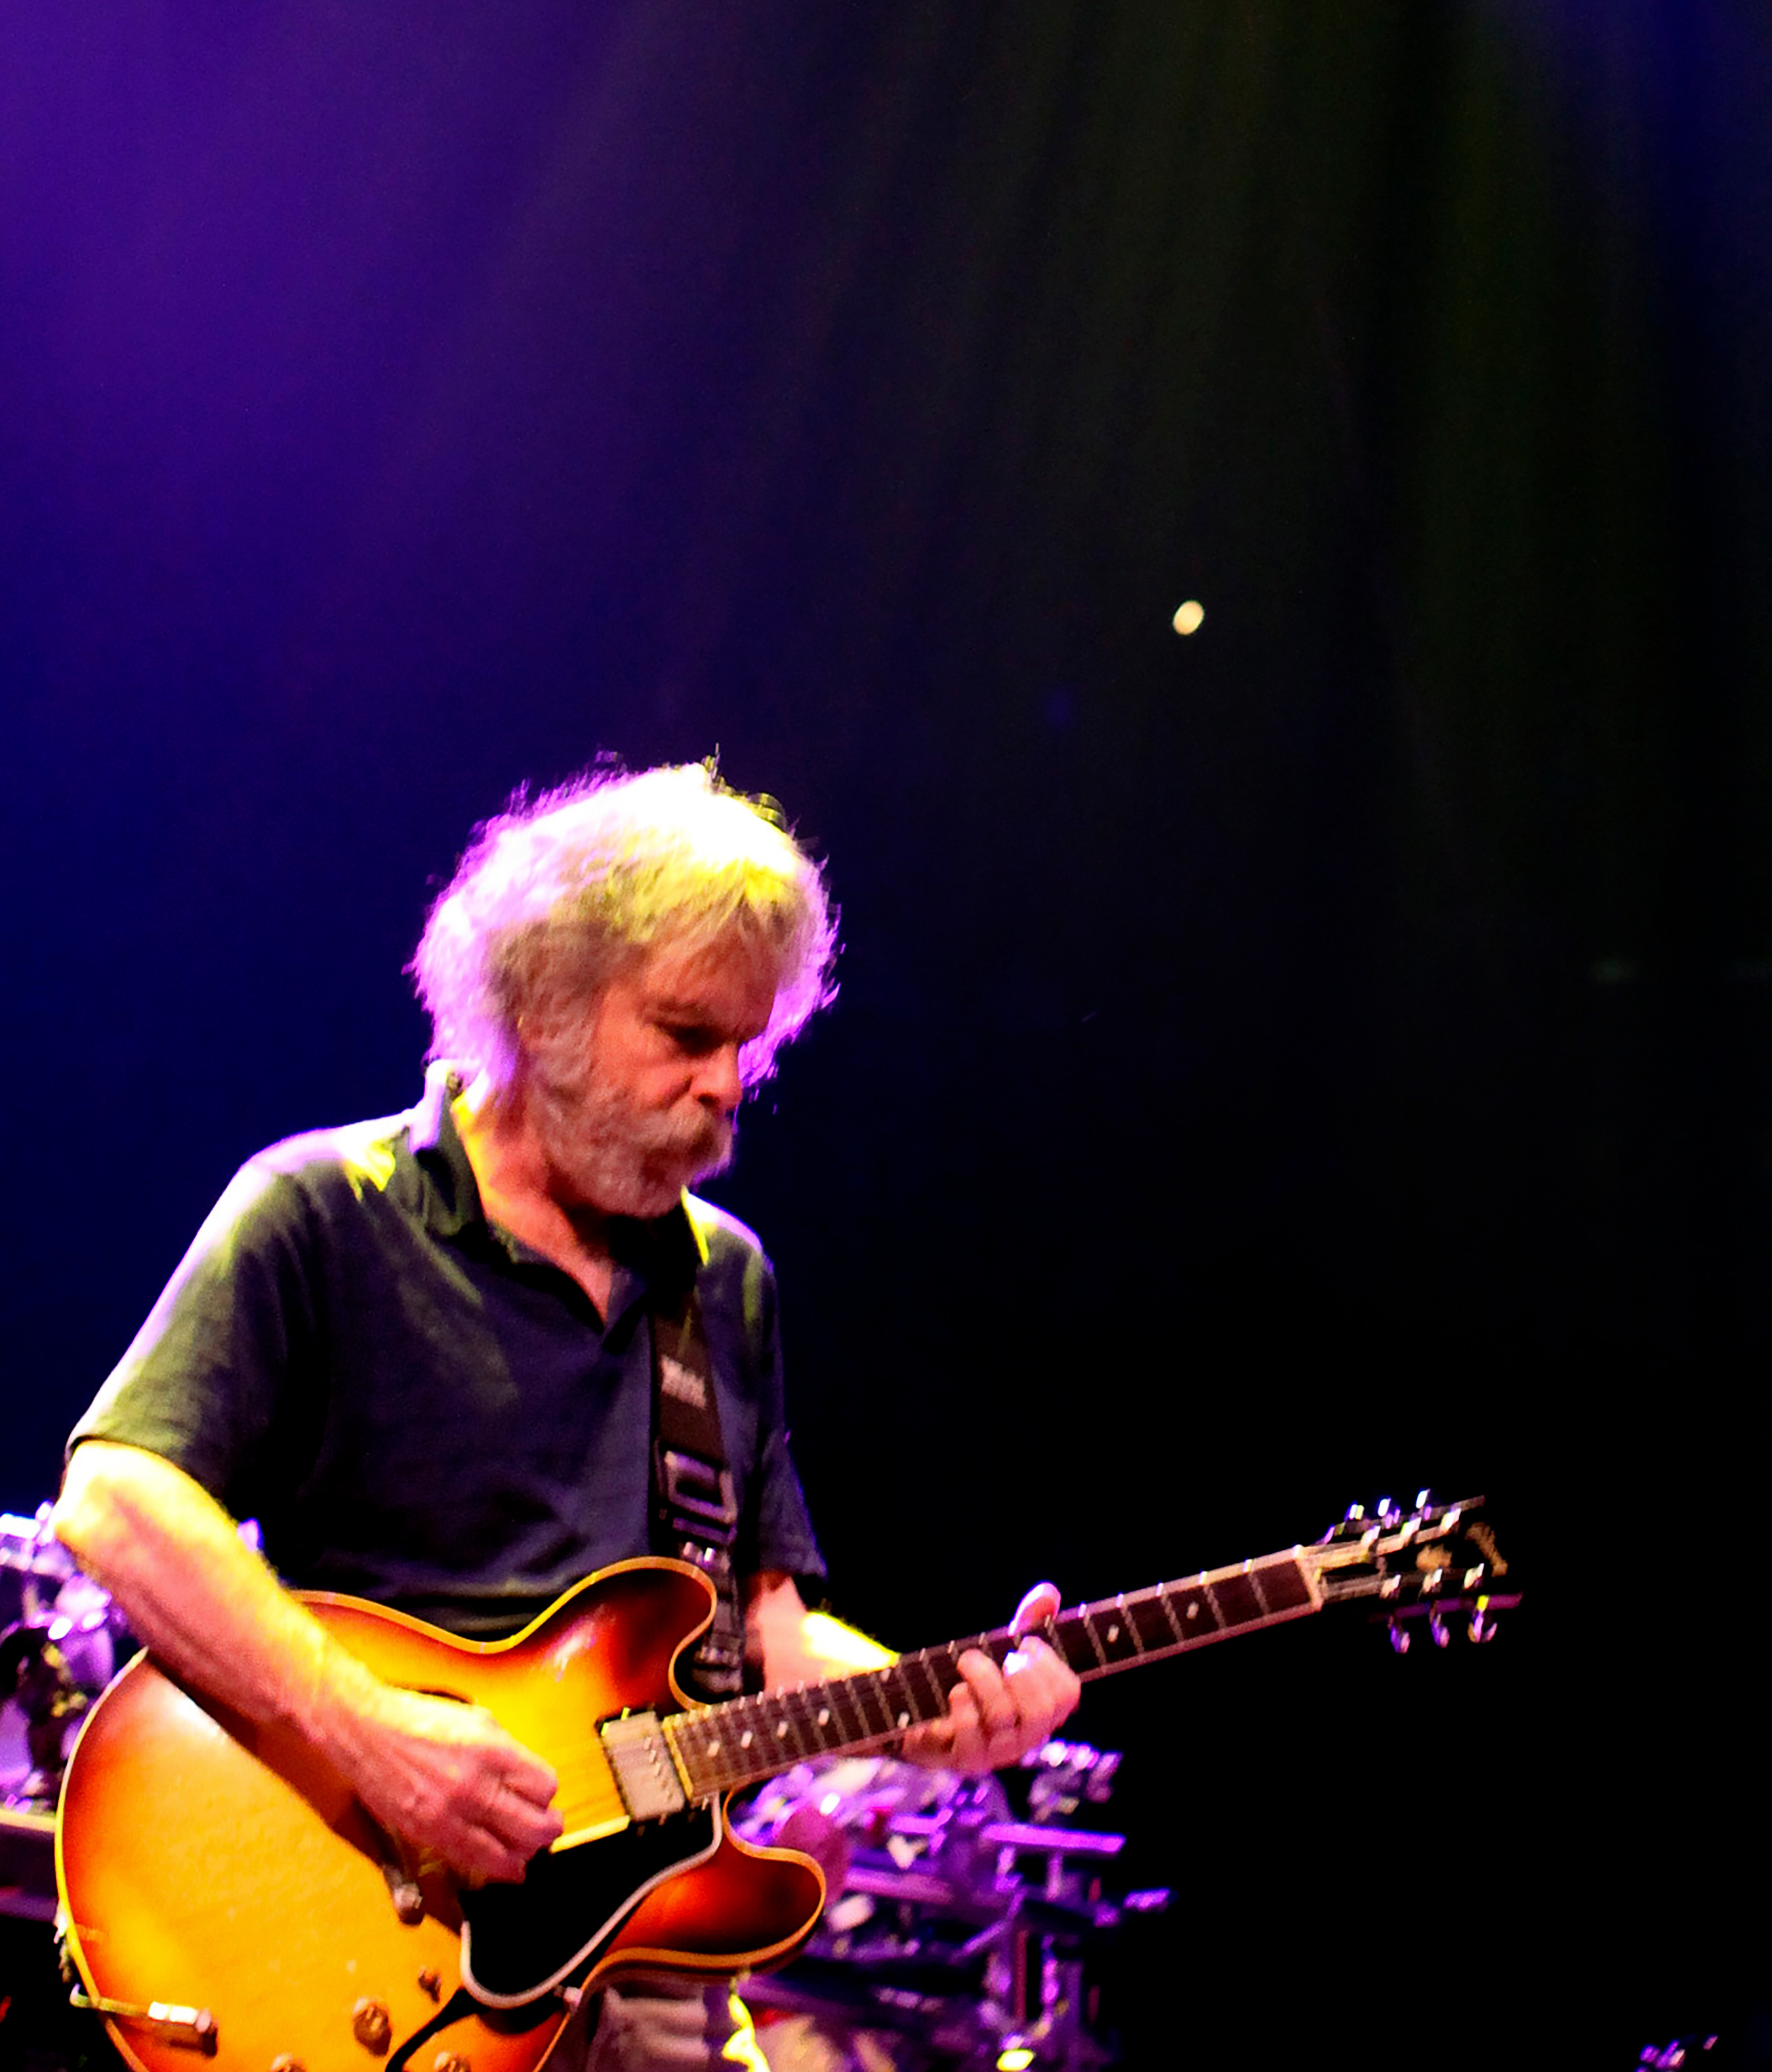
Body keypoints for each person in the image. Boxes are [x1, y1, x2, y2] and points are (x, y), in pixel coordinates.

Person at [54, 761, 1078, 2068]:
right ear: (540, 1004)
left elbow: (756, 1628)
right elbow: (118, 1498)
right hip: (364, 1928)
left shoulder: (727, 1282)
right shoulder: (325, 1211)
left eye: (748, 1049)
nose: (726, 1085)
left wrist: (933, 1705)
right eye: (687, 1034)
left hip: (646, 1968)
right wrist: (367, 1728)